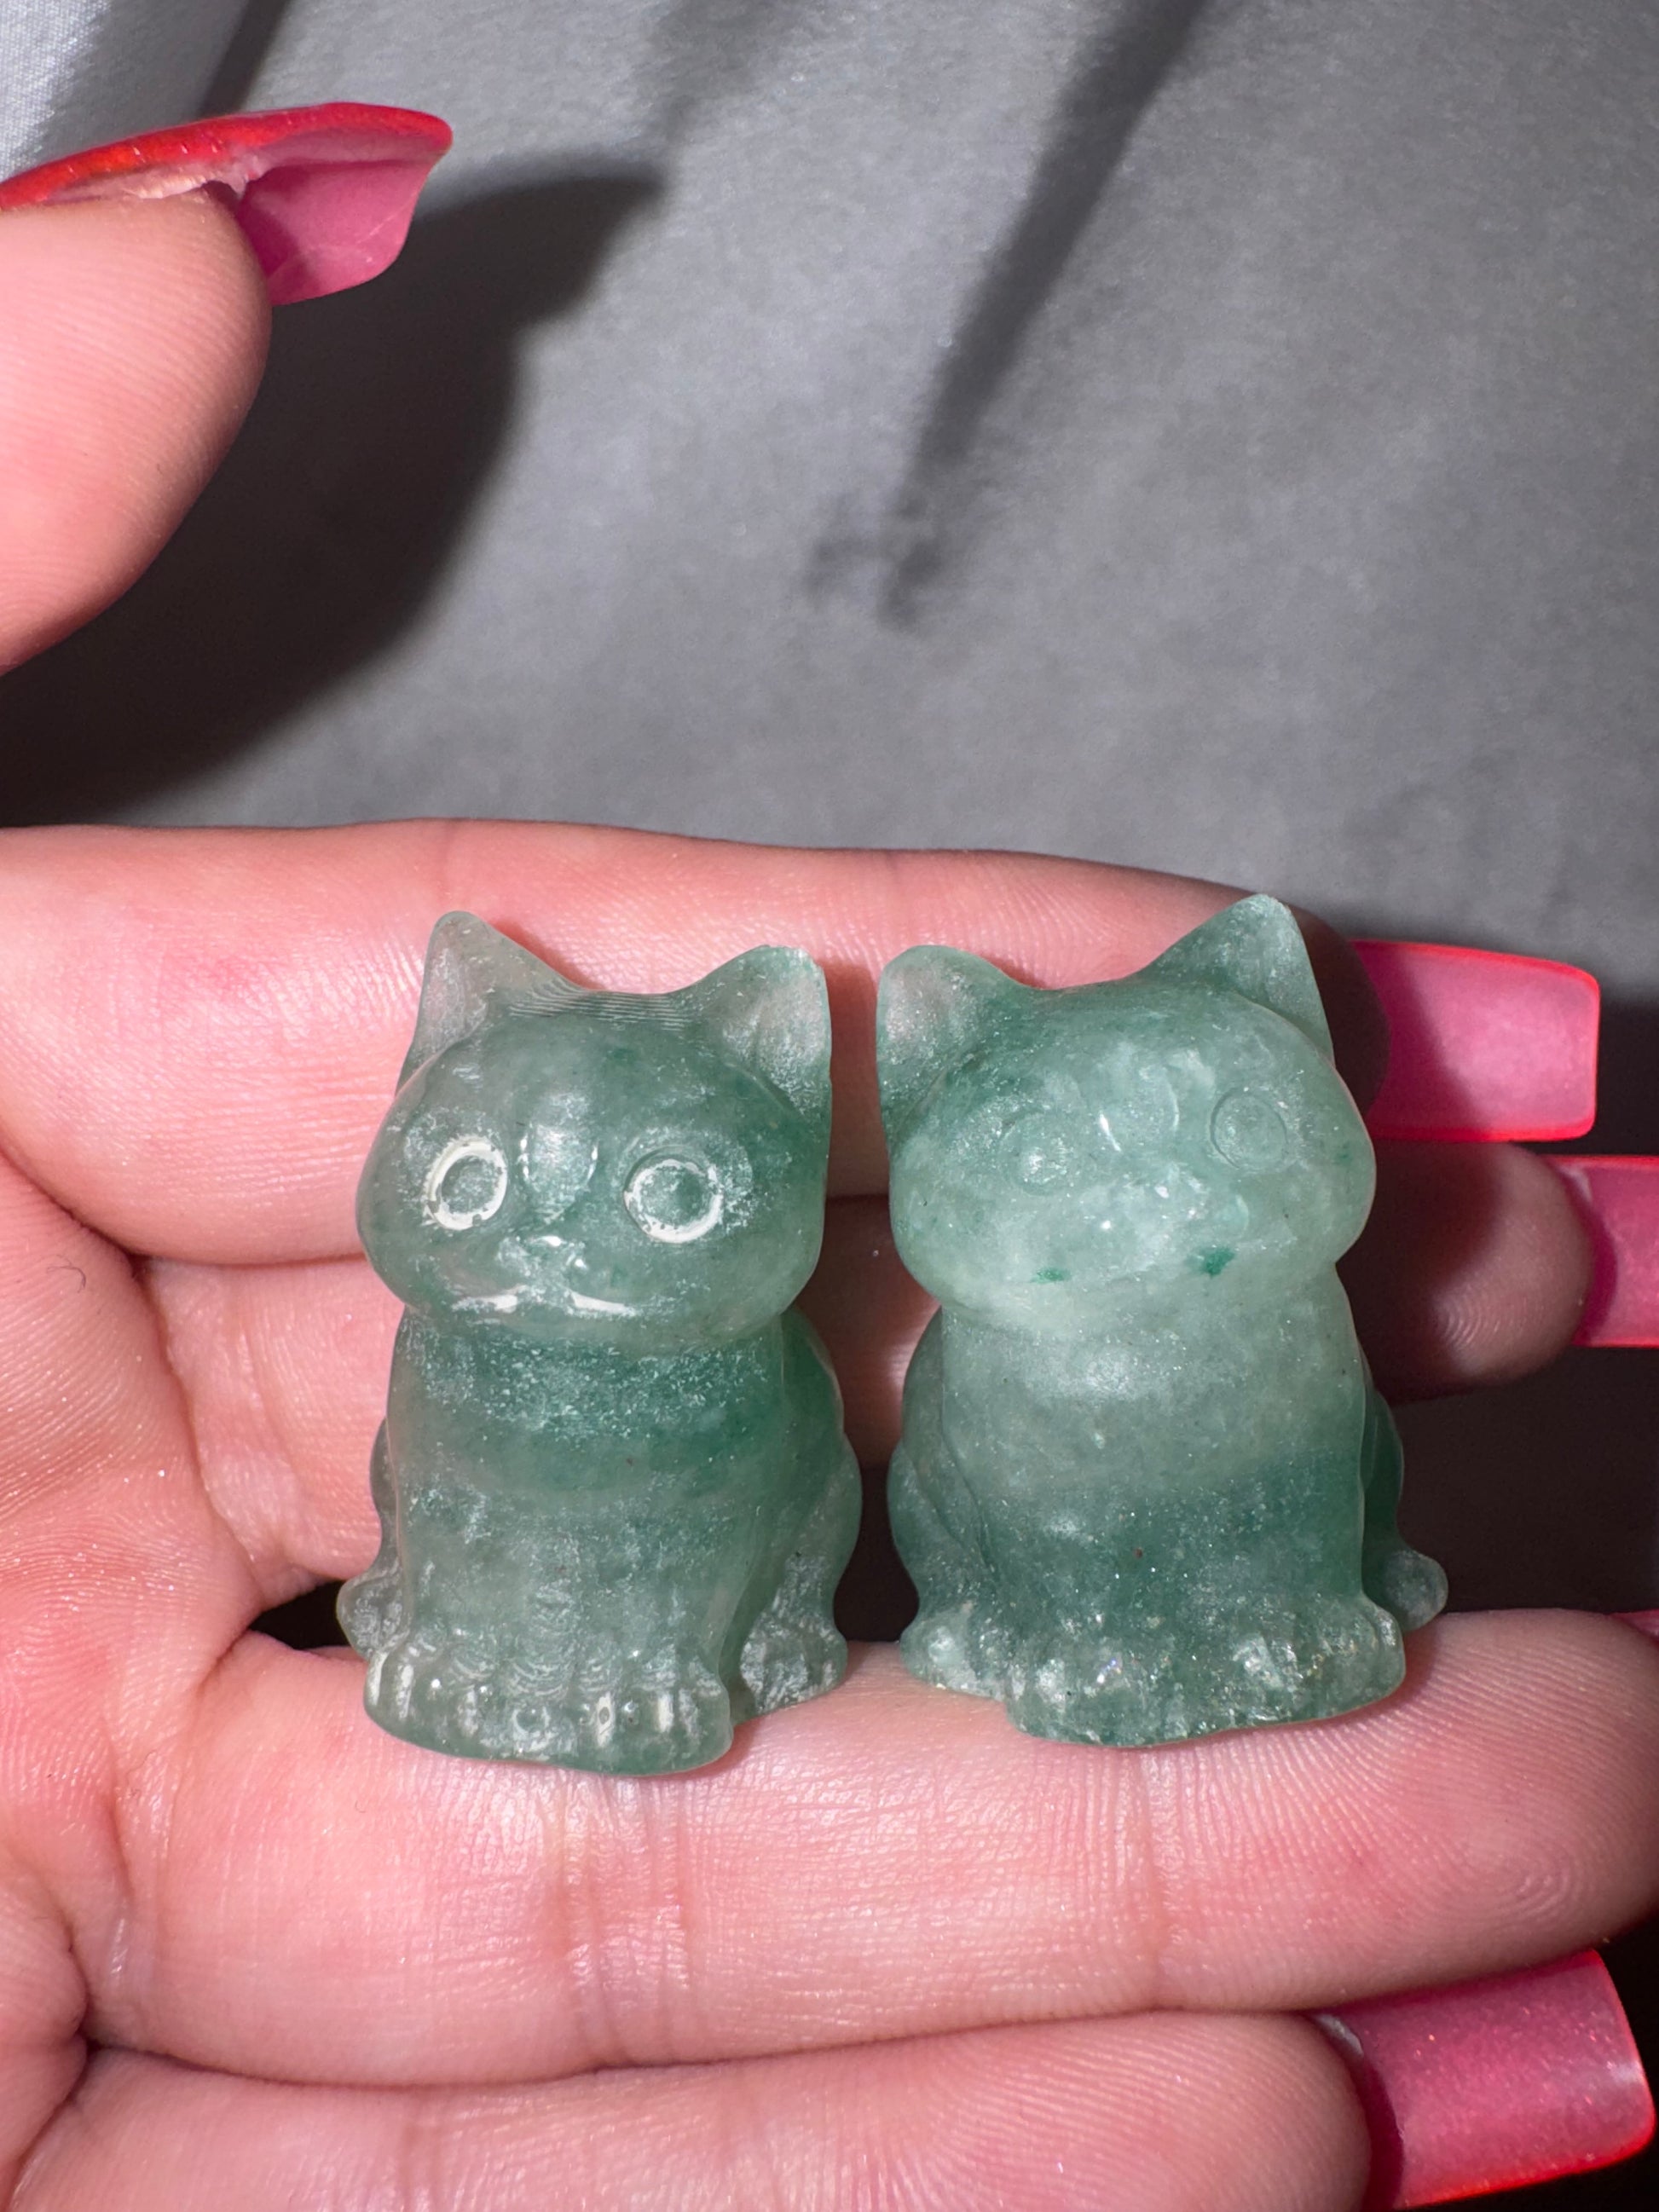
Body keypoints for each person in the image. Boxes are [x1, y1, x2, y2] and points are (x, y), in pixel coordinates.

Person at [0, 190, 1655, 2209]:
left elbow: (1172, 1477)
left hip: (1180, 1543)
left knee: (1256, 1488)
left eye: (667, 1189)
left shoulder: (1250, 1296)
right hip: (580, 1585)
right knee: (523, 1513)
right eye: (473, 1173)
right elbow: (445, 1495)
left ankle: (1210, 1621)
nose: (555, 1237)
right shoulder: (475, 1321)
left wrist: (1288, 1583)